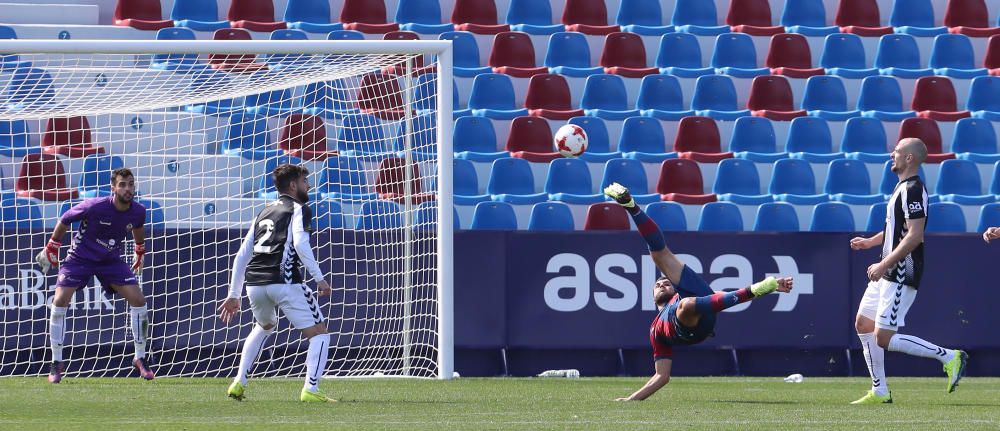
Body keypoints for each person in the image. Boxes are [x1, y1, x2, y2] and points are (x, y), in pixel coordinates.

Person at [603, 183, 794, 401]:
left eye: (665, 282)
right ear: (652, 297)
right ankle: (757, 289)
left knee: (659, 254)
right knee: (687, 305)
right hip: (692, 329)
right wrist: (632, 399)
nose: (662, 283)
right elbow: (662, 376)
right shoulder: (656, 329)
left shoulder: (680, 293)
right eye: (658, 284)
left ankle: (631, 205)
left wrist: (631, 208)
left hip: (696, 302)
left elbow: (712, 295)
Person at [848, 138, 967, 405]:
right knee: (863, 323)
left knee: (883, 337)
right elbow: (896, 229)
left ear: (909, 158)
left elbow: (915, 236)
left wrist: (884, 264)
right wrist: (871, 242)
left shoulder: (913, 189)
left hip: (901, 269)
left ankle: (949, 356)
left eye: (897, 152)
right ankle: (879, 391)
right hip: (890, 266)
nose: (892, 155)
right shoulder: (902, 188)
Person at [218, 164, 334, 403]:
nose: (308, 185)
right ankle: (311, 390)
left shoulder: (263, 212)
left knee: (265, 325)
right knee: (320, 334)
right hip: (285, 282)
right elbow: (301, 245)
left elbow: (241, 255)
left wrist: (234, 294)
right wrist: (320, 279)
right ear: (293, 185)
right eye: (304, 181)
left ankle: (239, 382)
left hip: (255, 285)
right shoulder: (299, 209)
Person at [36, 167, 153, 383]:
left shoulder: (138, 210)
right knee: (60, 300)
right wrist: (53, 245)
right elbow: (66, 218)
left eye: (131, 184)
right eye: (122, 184)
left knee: (139, 300)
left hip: (110, 260)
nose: (128, 189)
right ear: (113, 188)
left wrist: (139, 249)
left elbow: (137, 226)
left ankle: (140, 357)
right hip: (80, 258)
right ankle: (56, 362)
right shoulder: (95, 206)